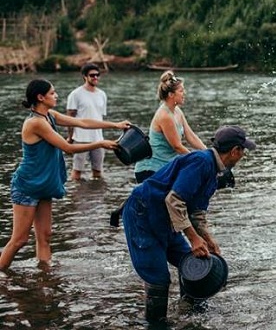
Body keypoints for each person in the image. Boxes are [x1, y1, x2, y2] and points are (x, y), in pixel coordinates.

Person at [122, 125, 256, 324]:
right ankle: (155, 323)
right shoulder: (201, 162)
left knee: (194, 263)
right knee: (158, 278)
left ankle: (189, 317)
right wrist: (193, 238)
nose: (243, 155)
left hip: (166, 218)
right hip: (143, 214)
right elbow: (174, 200)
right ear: (235, 151)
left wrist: (208, 240)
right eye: (243, 151)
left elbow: (196, 212)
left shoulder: (214, 171)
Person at [0, 79, 130, 270]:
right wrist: (100, 143)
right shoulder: (36, 123)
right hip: (27, 185)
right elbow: (68, 148)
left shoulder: (49, 116)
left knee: (45, 237)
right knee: (19, 240)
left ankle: (45, 277)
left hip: (44, 184)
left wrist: (115, 125)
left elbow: (81, 122)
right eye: (53, 93)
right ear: (40, 97)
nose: (57, 95)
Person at [133, 70, 206, 183]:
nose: (184, 93)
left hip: (165, 167)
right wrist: (197, 160)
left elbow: (191, 136)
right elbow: (177, 146)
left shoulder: (177, 111)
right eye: (181, 91)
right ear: (171, 94)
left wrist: (208, 153)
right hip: (150, 169)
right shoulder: (165, 116)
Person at [66, 63, 108, 181]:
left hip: (98, 138)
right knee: (77, 171)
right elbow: (70, 118)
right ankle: (75, 196)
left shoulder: (102, 94)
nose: (95, 78)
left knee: (98, 172)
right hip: (81, 138)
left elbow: (100, 117)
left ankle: (96, 197)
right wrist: (70, 137)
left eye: (97, 75)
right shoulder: (76, 94)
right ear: (85, 76)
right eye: (92, 75)